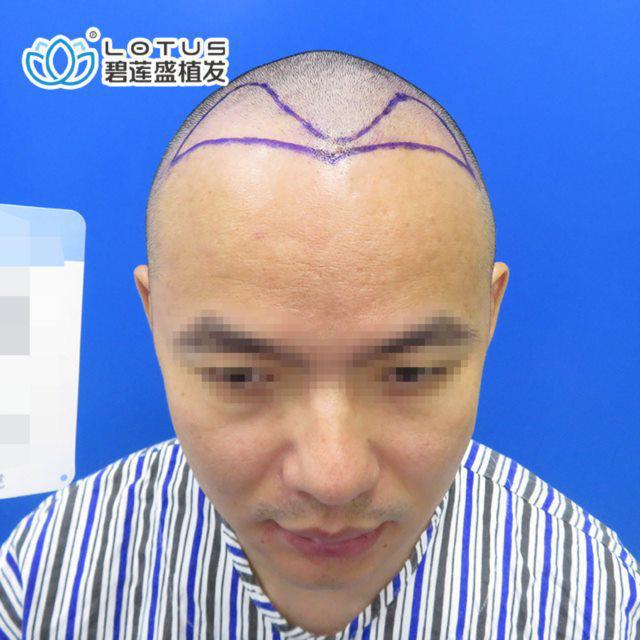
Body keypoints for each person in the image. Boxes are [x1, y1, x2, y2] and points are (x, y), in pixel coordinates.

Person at [1, 50, 639, 640]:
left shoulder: (596, 603)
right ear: (154, 317)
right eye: (240, 376)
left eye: (411, 373)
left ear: (490, 314)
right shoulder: (48, 579)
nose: (333, 480)